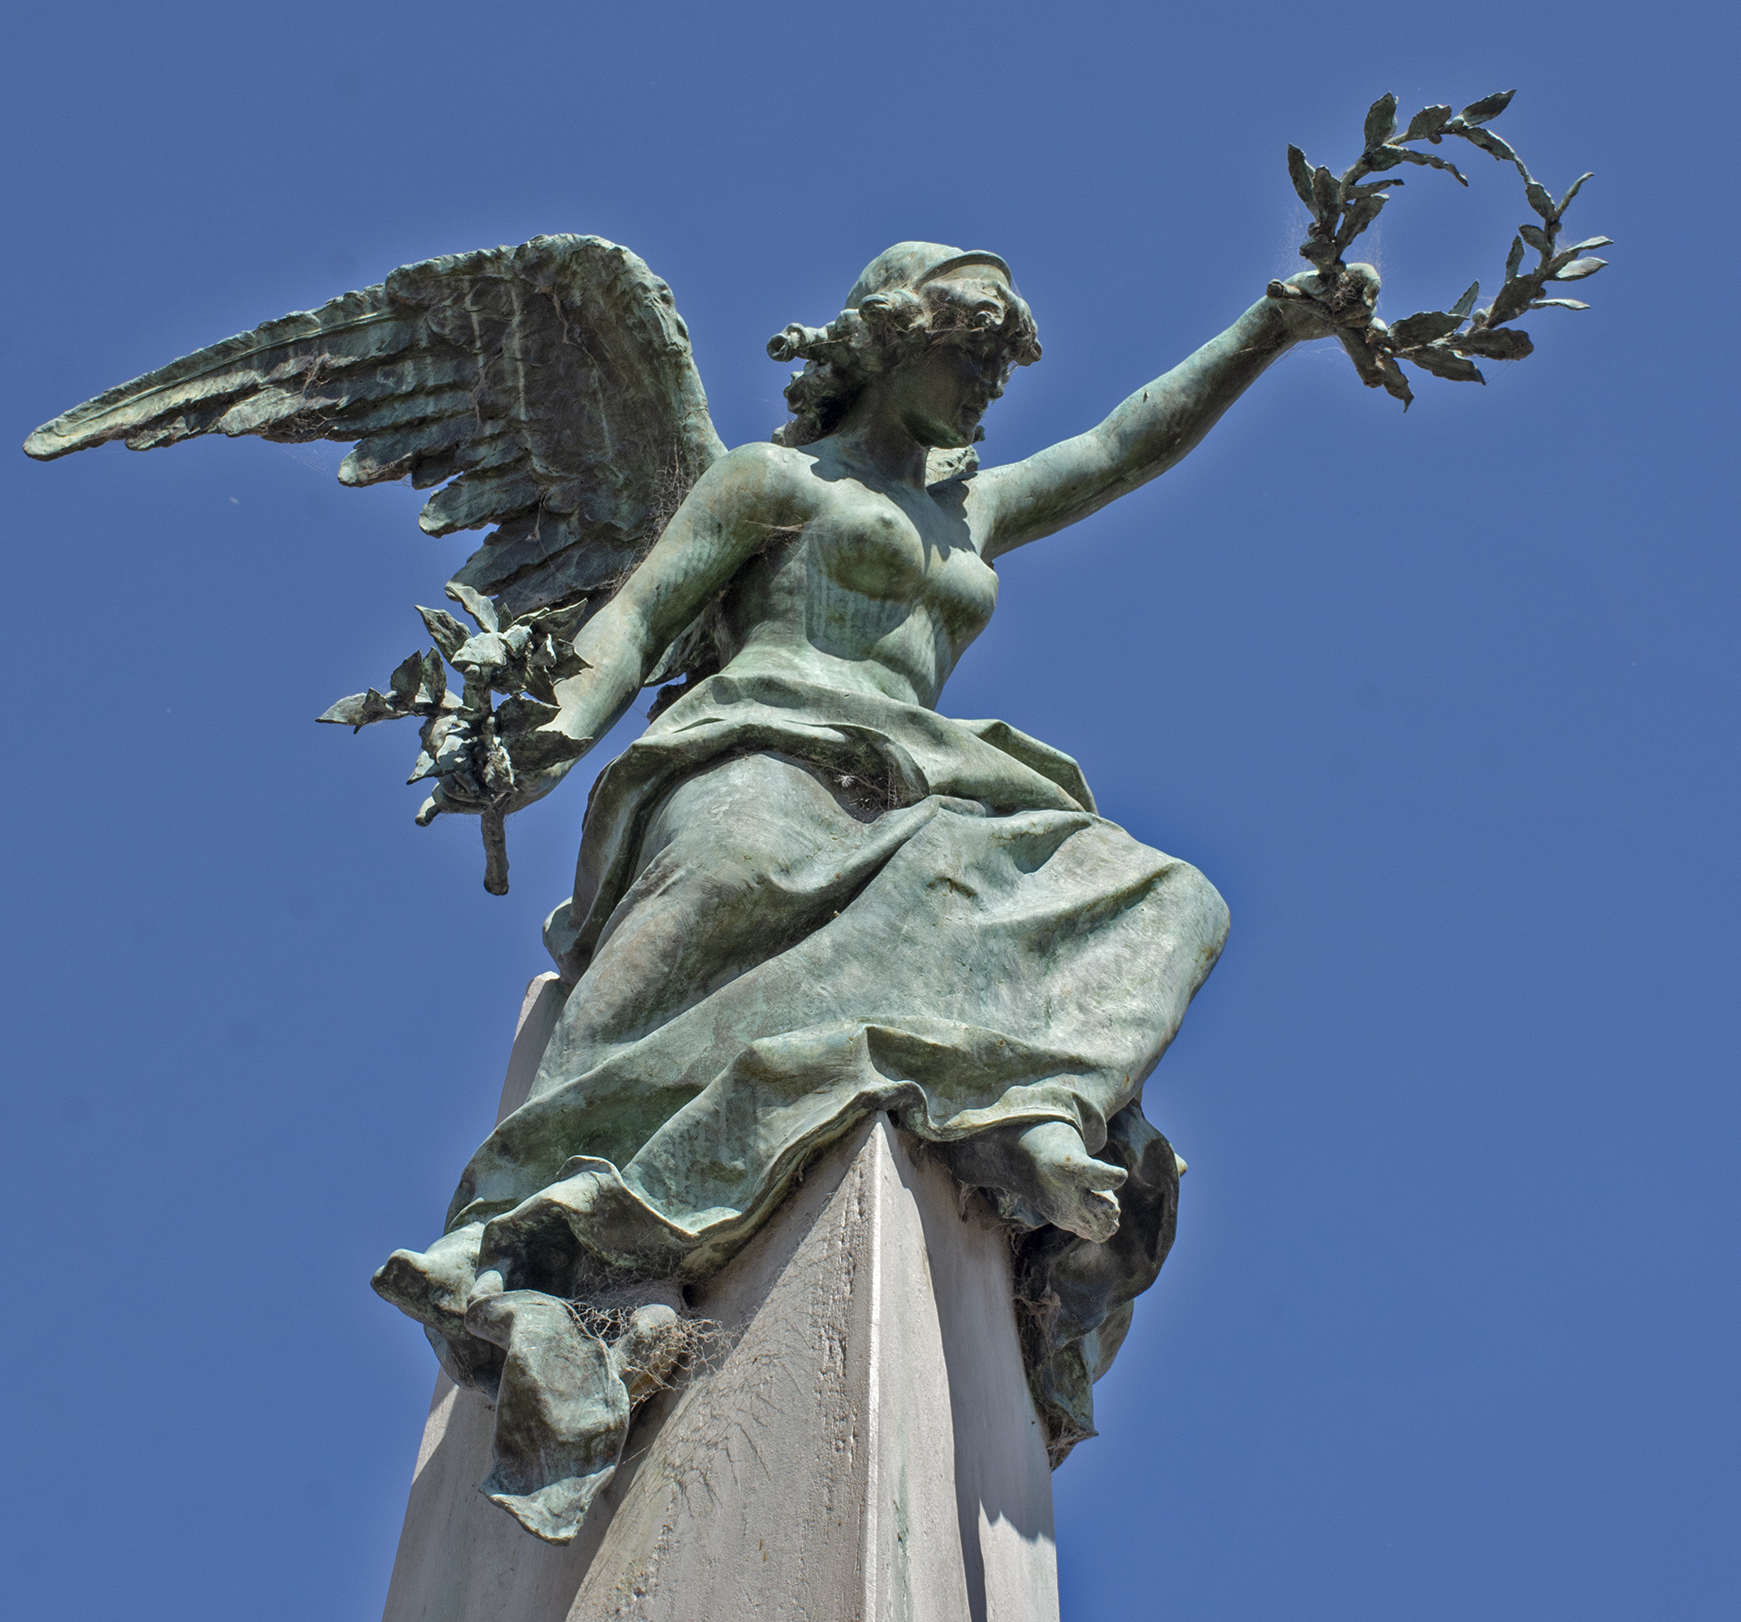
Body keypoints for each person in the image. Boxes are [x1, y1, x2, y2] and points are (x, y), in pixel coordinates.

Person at [376, 241, 1377, 1453]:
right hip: (760, 745)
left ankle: (1038, 1105)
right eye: (967, 353)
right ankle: (531, 1207)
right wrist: (541, 737)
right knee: (732, 868)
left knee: (1174, 897)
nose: (985, 385)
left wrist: (1270, 328)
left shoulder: (972, 508)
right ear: (890, 342)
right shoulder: (770, 481)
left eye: (999, 366)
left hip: (929, 780)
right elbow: (636, 620)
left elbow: (1123, 446)